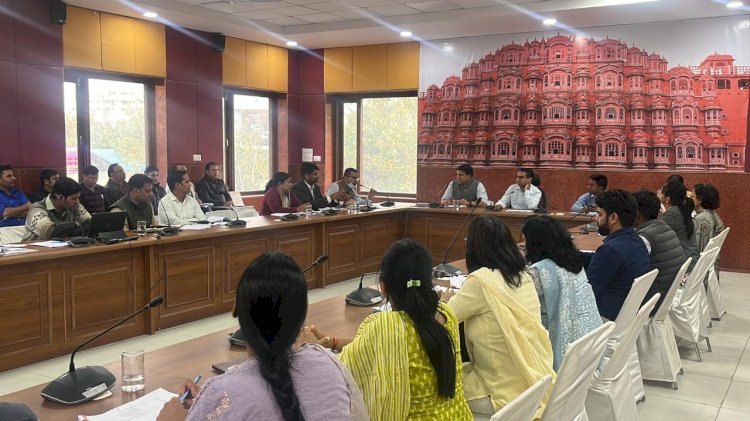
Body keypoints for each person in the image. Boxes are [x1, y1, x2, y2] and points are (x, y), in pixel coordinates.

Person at [156, 252, 369, 421]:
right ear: (303, 316)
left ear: (236, 310)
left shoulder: (221, 392)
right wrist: (211, 402)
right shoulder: (329, 363)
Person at [308, 239, 472, 421]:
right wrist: (332, 341)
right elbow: (370, 346)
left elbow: (340, 371)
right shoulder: (446, 314)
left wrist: (313, 349)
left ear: (383, 287)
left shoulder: (385, 327)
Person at [446, 216, 554, 417]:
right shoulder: (523, 276)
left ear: (475, 248)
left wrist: (443, 301)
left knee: (438, 385)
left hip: (500, 389)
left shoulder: (480, 282)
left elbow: (444, 317)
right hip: (534, 379)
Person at [522, 215, 602, 371]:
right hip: (594, 344)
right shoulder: (574, 260)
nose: (524, 246)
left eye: (525, 240)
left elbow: (520, 300)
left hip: (573, 356)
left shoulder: (538, 271)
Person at [586, 189, 650, 321]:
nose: (597, 219)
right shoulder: (637, 241)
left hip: (604, 319)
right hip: (625, 317)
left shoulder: (611, 250)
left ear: (613, 218)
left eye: (600, 214)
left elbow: (587, 292)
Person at [632, 190, 686, 316]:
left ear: (637, 214)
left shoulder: (644, 238)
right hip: (666, 296)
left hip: (651, 302)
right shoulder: (665, 227)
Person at [23, 177, 91, 241]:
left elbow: (91, 223)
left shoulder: (75, 206)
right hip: (33, 248)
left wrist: (78, 227)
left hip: (64, 247)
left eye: (78, 198)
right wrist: (78, 225)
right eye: (74, 198)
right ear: (60, 197)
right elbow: (50, 232)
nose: (77, 202)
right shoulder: (36, 208)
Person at [659, 180, 699, 271]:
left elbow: (656, 234)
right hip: (691, 259)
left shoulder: (671, 214)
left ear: (667, 198)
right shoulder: (681, 210)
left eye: (661, 191)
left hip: (684, 265)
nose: (659, 193)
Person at [693, 183, 725, 276]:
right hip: (711, 266)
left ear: (700, 200)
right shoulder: (713, 215)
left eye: (693, 196)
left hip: (702, 271)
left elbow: (698, 250)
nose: (690, 199)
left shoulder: (703, 220)